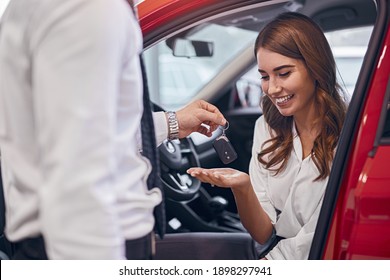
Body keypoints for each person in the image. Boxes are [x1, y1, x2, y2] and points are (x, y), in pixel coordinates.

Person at [0, 0, 226, 259]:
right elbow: (79, 171)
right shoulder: (89, 10)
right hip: (89, 243)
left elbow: (93, 135)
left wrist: (171, 123)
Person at [188, 12, 347, 260]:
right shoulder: (266, 127)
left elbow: (320, 235)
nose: (272, 88)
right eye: (264, 76)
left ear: (315, 68)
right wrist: (243, 188)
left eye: (283, 73)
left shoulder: (348, 134)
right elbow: (263, 233)